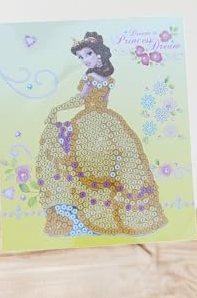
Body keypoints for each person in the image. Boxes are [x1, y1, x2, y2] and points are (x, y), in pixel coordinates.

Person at [36, 31, 168, 236]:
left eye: (88, 54)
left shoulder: (90, 77)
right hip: (108, 122)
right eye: (81, 57)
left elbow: (80, 99)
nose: (84, 60)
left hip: (91, 122)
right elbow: (100, 100)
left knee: (76, 153)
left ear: (99, 54)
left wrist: (58, 108)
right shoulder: (107, 78)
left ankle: (94, 212)